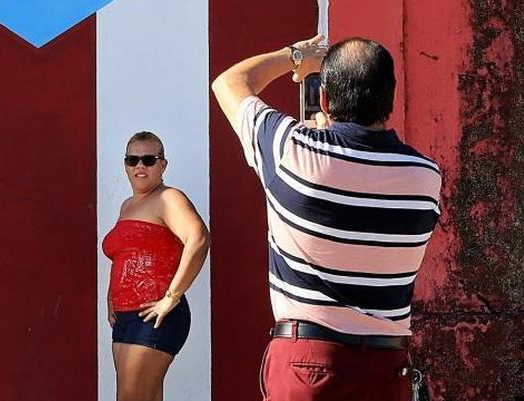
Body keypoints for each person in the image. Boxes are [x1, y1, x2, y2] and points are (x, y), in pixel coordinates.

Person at [210, 36, 441, 400]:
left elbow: (229, 82)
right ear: (390, 99)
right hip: (385, 368)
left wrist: (296, 56)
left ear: (324, 99)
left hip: (307, 364)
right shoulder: (425, 176)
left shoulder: (292, 151)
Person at [102, 131, 210, 401]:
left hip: (155, 315)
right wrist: (110, 296)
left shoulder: (169, 198)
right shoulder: (128, 205)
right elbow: (123, 254)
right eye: (133, 159)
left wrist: (171, 297)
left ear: (163, 165)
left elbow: (198, 238)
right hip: (126, 316)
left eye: (149, 159)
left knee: (130, 398)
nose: (140, 166)